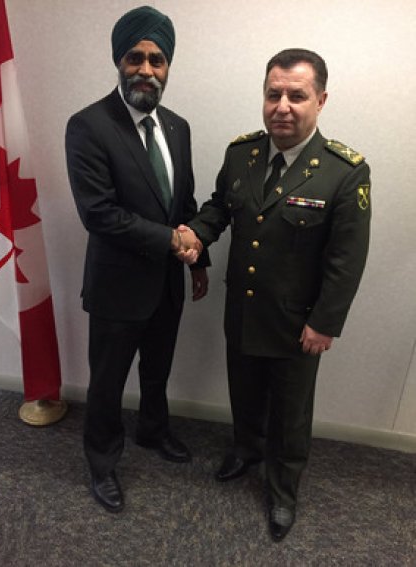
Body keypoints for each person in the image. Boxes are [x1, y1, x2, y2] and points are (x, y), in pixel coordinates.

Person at [184, 48, 371, 541]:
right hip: (244, 309)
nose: (282, 106)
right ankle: (246, 450)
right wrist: (198, 233)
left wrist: (325, 322)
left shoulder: (343, 171)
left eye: (296, 96)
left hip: (296, 322)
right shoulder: (241, 154)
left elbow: (347, 259)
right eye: (273, 94)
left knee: (290, 414)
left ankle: (283, 490)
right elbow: (220, 207)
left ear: (320, 101)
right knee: (244, 393)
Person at [65, 6, 208, 513]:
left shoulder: (178, 127)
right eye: (136, 57)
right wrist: (173, 241)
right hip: (117, 286)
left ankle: (153, 429)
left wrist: (198, 261)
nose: (146, 69)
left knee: (157, 368)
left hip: (167, 282)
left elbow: (183, 203)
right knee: (107, 382)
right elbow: (99, 214)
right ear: (119, 61)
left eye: (157, 60)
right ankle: (102, 462)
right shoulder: (88, 125)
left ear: (167, 67)